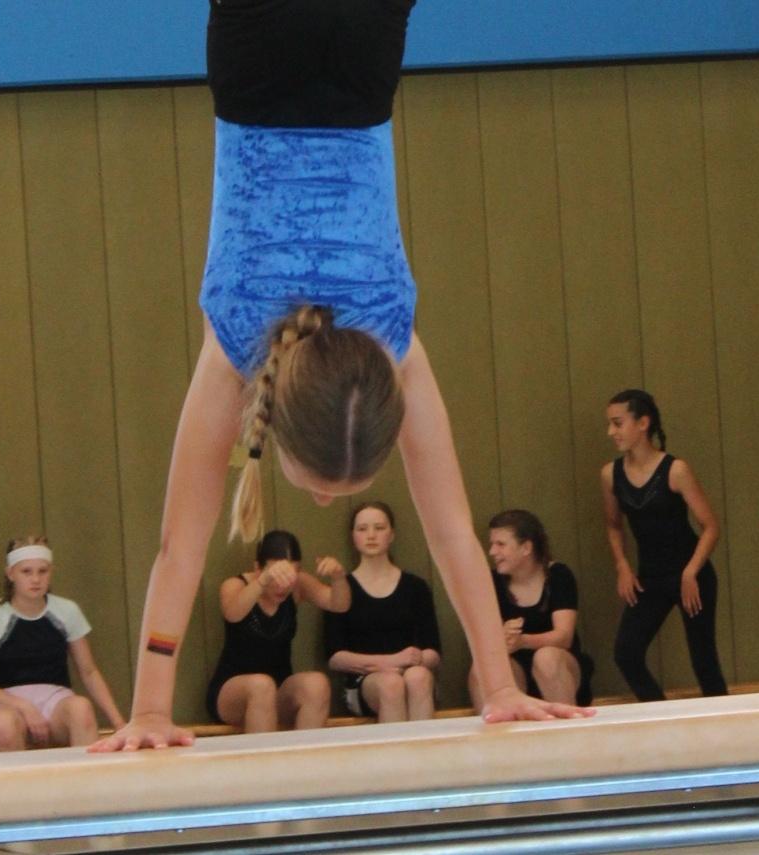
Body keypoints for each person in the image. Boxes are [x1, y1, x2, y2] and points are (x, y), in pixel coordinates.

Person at [93, 0, 589, 753]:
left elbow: (453, 533)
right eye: (331, 487)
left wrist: (499, 684)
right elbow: (178, 551)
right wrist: (151, 709)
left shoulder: (393, 340)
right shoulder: (238, 346)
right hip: (253, 74)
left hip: (359, 72)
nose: (321, 498)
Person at [601, 389, 728, 701]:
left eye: (618, 423)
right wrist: (622, 566)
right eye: (610, 424)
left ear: (643, 423)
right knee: (626, 654)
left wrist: (691, 572)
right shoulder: (610, 475)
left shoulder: (675, 470)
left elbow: (710, 527)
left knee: (704, 661)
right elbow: (613, 525)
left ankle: (726, 733)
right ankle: (661, 716)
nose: (611, 432)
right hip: (649, 579)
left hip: (691, 576)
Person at [0, 537, 125, 750]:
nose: (35, 579)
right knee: (4, 723)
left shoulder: (66, 611)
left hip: (55, 704)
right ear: (10, 573)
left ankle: (83, 781)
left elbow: (89, 672)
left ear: (51, 572)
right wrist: (23, 706)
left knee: (81, 709)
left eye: (42, 571)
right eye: (27, 572)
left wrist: (119, 723)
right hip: (7, 705)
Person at [207, 529, 348, 732]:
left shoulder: (298, 585)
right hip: (231, 690)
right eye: (276, 576)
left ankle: (302, 759)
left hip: (278, 688)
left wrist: (338, 577)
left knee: (317, 684)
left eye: (291, 575)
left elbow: (339, 604)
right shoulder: (234, 585)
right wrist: (263, 581)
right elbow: (233, 613)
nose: (283, 585)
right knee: (261, 686)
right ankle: (264, 762)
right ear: (258, 568)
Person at [325, 502, 440, 722]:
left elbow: (433, 651)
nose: (371, 535)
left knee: (419, 677)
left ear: (392, 534)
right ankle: (396, 756)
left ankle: (425, 754)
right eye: (362, 529)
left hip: (411, 673)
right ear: (353, 536)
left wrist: (413, 661)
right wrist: (388, 662)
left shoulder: (415, 587)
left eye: (379, 528)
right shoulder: (342, 588)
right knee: (391, 684)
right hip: (365, 682)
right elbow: (335, 657)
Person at [469, 510, 593, 710]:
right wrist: (500, 638)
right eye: (491, 544)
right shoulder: (490, 582)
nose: (492, 552)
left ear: (526, 547)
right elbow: (481, 639)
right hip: (513, 669)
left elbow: (564, 637)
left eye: (500, 544)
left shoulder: (558, 576)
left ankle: (567, 731)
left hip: (559, 665)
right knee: (481, 668)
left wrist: (523, 641)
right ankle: (500, 735)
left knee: (546, 658)